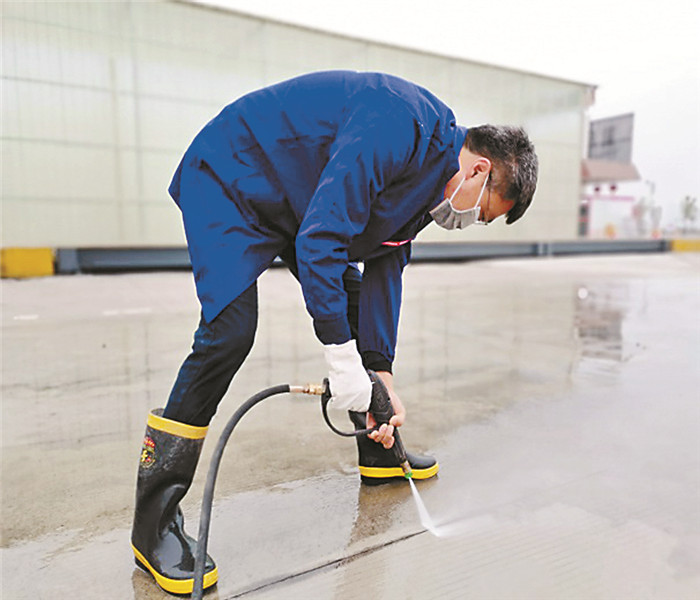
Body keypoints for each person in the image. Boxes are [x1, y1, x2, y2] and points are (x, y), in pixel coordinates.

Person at [131, 70, 538, 594]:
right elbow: (321, 240)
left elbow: (386, 264)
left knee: (352, 304)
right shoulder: (398, 124)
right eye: (482, 211)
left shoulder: (432, 186)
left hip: (294, 201)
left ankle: (378, 447)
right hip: (234, 175)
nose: (470, 221)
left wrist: (380, 374)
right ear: (480, 169)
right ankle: (153, 524)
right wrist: (342, 361)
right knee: (229, 333)